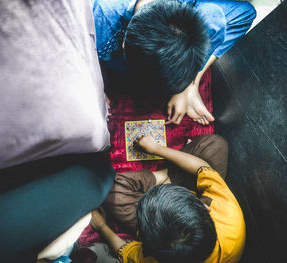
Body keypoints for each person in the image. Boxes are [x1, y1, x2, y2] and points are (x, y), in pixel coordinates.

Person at [93, 0, 256, 125]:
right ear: (124, 45)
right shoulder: (97, 17)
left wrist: (189, 86)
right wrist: (93, 87)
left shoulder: (205, 19)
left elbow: (245, 13)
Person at [90, 134, 246, 263]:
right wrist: (156, 149)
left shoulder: (151, 259)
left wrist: (102, 226)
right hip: (192, 197)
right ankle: (169, 177)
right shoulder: (228, 214)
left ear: (147, 245)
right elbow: (202, 168)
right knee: (217, 144)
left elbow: (124, 251)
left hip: (177, 206)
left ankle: (167, 176)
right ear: (205, 208)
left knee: (110, 191)